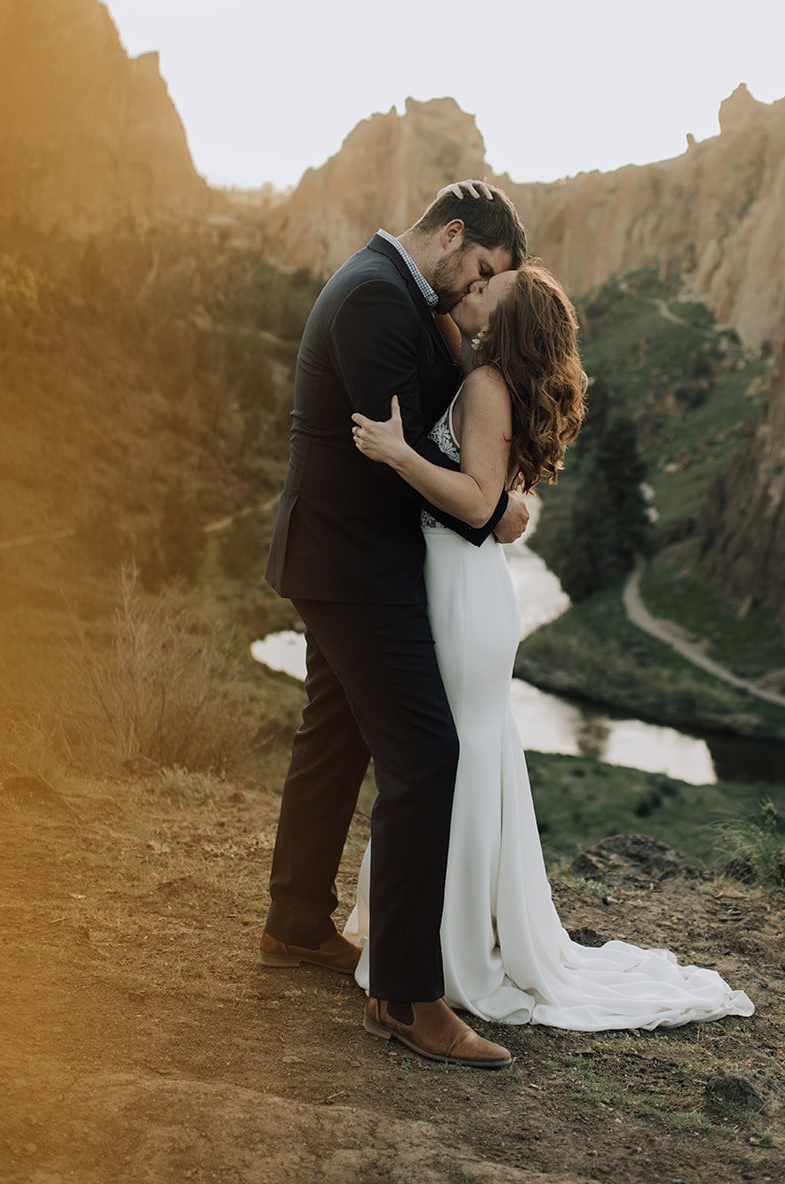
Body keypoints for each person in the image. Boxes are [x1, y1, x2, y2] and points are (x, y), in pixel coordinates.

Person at [346, 262, 756, 1032]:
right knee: (453, 756)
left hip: (463, 592)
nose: (472, 293)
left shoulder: (489, 387)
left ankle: (446, 953)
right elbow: (501, 502)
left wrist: (399, 454)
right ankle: (423, 937)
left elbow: (476, 501)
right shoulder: (482, 373)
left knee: (448, 759)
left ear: (507, 323)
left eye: (486, 292)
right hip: (462, 585)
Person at [261, 181, 531, 1068]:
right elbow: (396, 453)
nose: (475, 291)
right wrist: (489, 515)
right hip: (354, 566)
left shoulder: (395, 291)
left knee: (334, 736)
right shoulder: (378, 296)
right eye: (480, 271)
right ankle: (406, 998)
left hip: (343, 559)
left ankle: (296, 925)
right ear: (452, 235)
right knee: (426, 757)